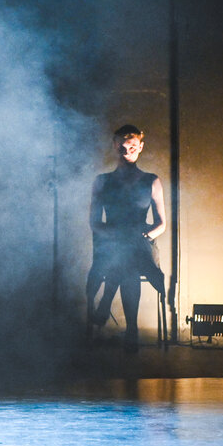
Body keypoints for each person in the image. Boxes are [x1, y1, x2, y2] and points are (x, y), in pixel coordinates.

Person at [86, 124, 166, 352]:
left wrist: (146, 234)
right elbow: (94, 222)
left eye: (132, 146)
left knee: (129, 251)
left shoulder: (151, 181)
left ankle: (106, 301)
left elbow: (161, 224)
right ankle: (132, 329)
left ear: (140, 147)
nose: (126, 151)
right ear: (114, 145)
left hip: (140, 244)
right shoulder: (102, 181)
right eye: (122, 146)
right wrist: (112, 235)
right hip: (112, 245)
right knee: (127, 262)